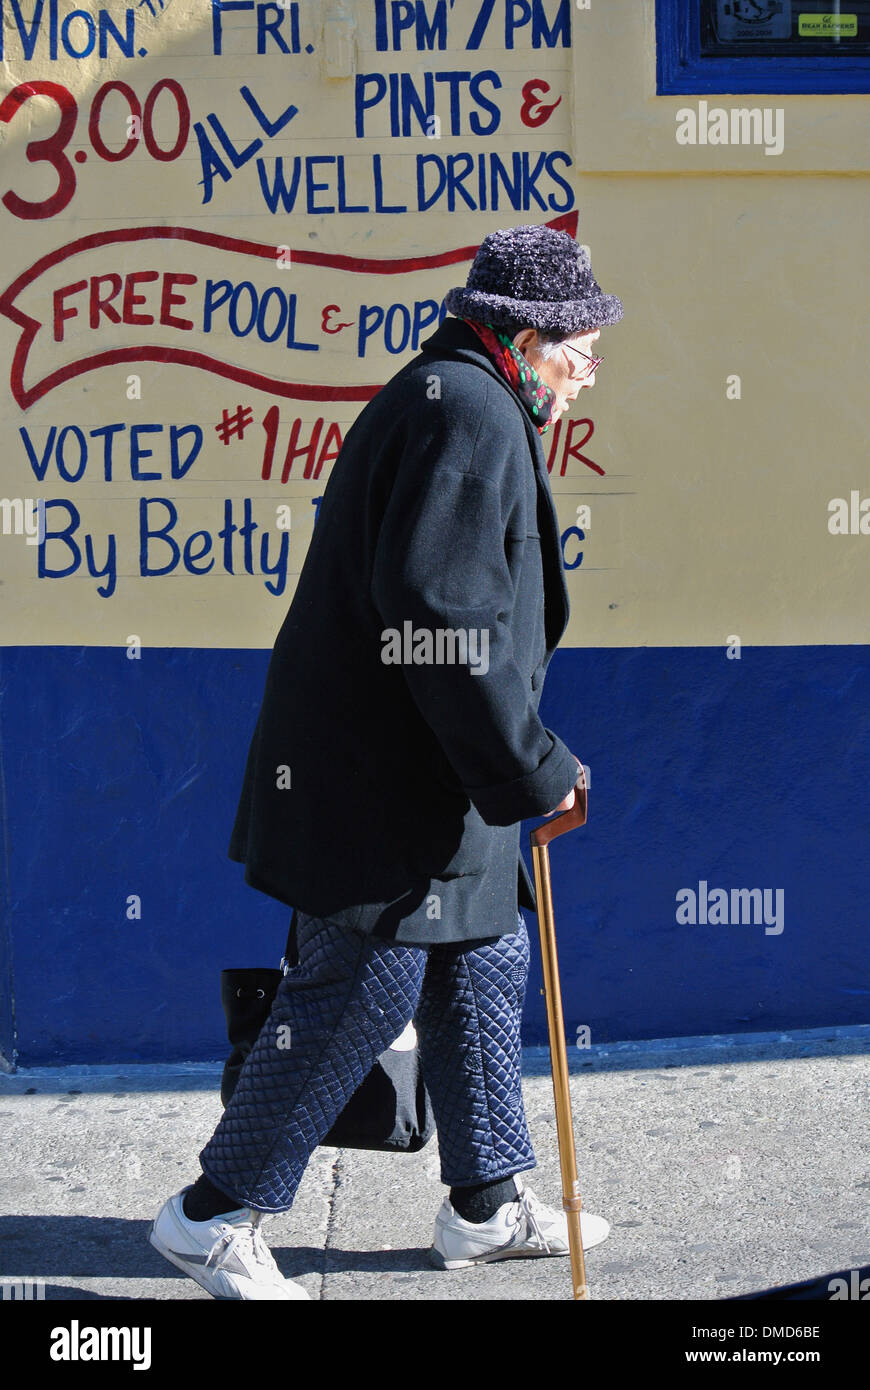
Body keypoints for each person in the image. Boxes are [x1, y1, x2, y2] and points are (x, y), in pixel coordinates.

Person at [149, 223, 624, 1299]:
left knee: (486, 955)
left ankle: (486, 1204)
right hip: (382, 782)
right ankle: (210, 1216)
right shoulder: (466, 410)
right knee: (363, 984)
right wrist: (531, 763)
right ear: (524, 334)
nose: (589, 373)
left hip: (430, 776)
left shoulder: (468, 399)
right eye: (581, 349)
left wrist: (513, 766)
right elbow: (444, 619)